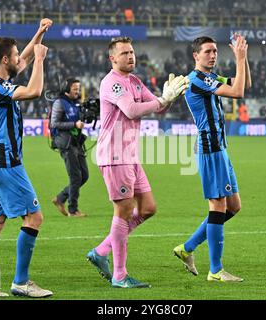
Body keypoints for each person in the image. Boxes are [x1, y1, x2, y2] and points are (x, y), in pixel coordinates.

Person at [86, 36, 189, 288]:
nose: (130, 56)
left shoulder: (134, 80)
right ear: (112, 58)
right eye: (124, 53)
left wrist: (168, 97)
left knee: (148, 208)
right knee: (122, 211)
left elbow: (158, 107)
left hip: (130, 156)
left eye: (132, 52)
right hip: (114, 155)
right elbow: (132, 110)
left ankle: (101, 251)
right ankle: (120, 276)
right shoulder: (112, 83)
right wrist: (160, 102)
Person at [0, 18, 54, 297]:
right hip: (7, 163)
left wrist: (39, 34)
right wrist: (40, 60)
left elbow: (22, 57)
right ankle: (21, 282)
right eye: (15, 56)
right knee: (34, 217)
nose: (21, 58)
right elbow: (34, 91)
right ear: (5, 59)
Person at [173, 35, 252, 282]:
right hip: (210, 148)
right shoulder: (197, 79)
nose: (213, 55)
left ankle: (187, 248)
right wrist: (238, 58)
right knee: (218, 206)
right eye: (208, 51)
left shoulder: (210, 78)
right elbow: (238, 92)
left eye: (216, 51)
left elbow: (244, 83)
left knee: (233, 206)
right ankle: (216, 270)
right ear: (196, 55)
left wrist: (244, 57)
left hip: (220, 148)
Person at [50, 78, 88, 218]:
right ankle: (73, 210)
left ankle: (60, 198)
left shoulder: (75, 104)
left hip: (76, 142)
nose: (77, 91)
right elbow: (54, 123)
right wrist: (74, 124)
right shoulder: (59, 103)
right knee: (75, 176)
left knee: (84, 176)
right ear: (66, 89)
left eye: (78, 89)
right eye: (75, 89)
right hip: (66, 143)